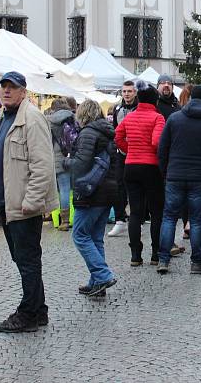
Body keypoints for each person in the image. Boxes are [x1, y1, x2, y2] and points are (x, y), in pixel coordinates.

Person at [0, 71, 58, 333]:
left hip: (23, 205)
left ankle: (28, 314)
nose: (6, 91)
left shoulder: (31, 119)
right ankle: (40, 309)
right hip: (8, 203)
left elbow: (43, 166)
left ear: (24, 91)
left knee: (27, 260)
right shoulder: (5, 117)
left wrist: (31, 201)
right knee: (24, 259)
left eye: (12, 87)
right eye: (3, 87)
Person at [156, 85, 201, 275]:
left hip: (175, 176)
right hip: (200, 178)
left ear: (189, 98)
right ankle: (197, 262)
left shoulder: (174, 118)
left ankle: (163, 260)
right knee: (196, 221)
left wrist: (166, 172)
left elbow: (162, 150)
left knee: (169, 217)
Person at [65, 98, 118, 298]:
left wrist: (66, 163)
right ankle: (96, 283)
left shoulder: (88, 133)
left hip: (91, 191)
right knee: (95, 237)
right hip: (107, 190)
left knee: (80, 235)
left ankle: (103, 275)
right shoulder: (106, 132)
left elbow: (81, 164)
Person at [115, 80, 166, 266]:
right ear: (155, 101)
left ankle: (135, 255)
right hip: (151, 168)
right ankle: (155, 254)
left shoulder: (129, 117)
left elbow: (118, 136)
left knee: (135, 212)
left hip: (131, 167)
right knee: (156, 212)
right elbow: (156, 142)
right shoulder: (157, 118)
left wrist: (130, 150)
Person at [107, 80, 137, 237]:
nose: (126, 94)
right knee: (118, 185)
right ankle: (120, 219)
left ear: (135, 92)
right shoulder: (117, 108)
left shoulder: (139, 107)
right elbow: (114, 129)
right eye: (124, 91)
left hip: (137, 152)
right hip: (120, 152)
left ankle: (136, 217)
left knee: (134, 186)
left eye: (129, 91)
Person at [47, 97, 75, 231]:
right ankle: (67, 220)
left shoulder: (48, 121)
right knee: (68, 189)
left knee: (58, 190)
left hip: (54, 157)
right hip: (70, 157)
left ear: (53, 108)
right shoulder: (73, 118)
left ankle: (58, 220)